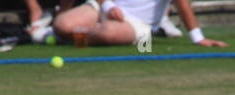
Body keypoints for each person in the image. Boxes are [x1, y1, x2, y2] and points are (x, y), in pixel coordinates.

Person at [53, 0, 224, 48]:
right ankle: (68, 35)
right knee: (61, 25)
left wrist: (198, 38)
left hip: (141, 25)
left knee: (108, 33)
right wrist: (108, 5)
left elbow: (183, 4)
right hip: (105, 7)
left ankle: (76, 37)